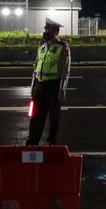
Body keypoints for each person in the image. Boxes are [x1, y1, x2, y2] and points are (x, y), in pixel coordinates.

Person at [26, 17, 70, 146]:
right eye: (45, 28)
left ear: (55, 30)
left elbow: (65, 70)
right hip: (40, 87)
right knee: (35, 117)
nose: (45, 31)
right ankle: (32, 144)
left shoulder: (63, 47)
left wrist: (62, 89)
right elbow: (36, 66)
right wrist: (33, 86)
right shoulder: (42, 46)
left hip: (54, 87)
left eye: (48, 29)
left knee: (54, 118)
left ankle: (52, 144)